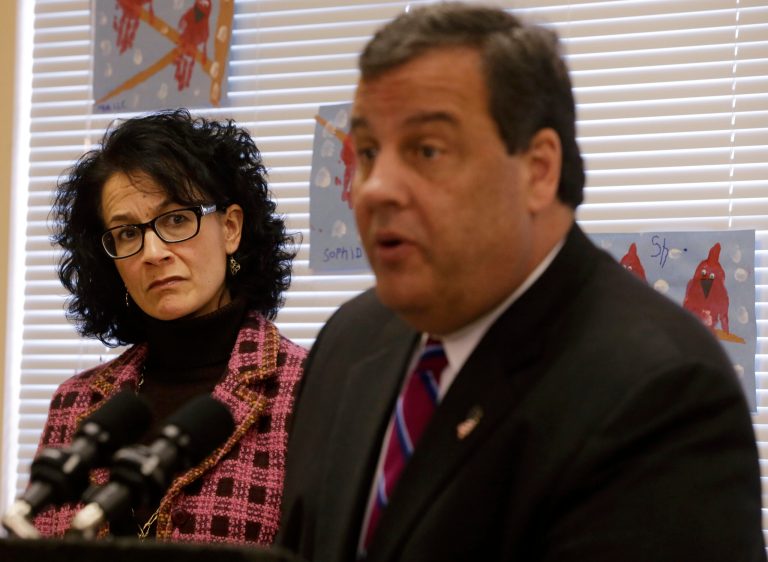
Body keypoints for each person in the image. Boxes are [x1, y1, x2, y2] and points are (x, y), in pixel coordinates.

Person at [277, 4, 765, 561]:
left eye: (427, 150)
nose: (373, 189)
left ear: (538, 170)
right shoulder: (348, 341)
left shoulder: (658, 392)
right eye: (366, 153)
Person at [33, 108, 307, 546]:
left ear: (231, 228)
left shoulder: (306, 391)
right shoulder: (78, 403)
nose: (153, 252)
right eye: (127, 233)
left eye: (177, 219)